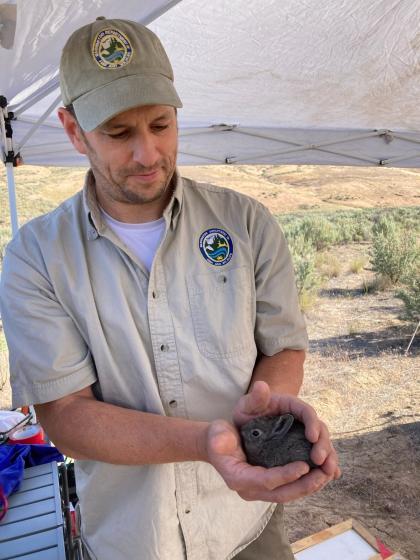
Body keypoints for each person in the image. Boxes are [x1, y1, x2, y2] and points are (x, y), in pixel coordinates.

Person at [0, 17, 340, 560]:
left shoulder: (246, 224)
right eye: (118, 133)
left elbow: (283, 347)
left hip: (245, 528)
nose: (147, 154)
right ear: (73, 130)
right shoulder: (35, 258)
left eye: (161, 124)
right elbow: (66, 417)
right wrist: (206, 442)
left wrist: (266, 401)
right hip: (130, 541)